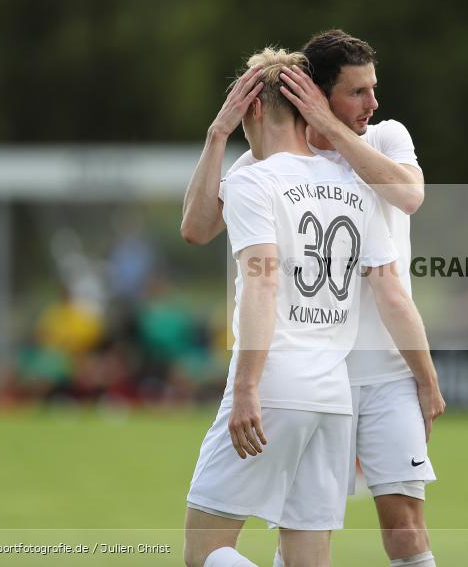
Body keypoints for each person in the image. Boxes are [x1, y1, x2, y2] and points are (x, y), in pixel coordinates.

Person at [181, 33, 444, 567]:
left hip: (278, 379)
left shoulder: (258, 179)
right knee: (308, 555)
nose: (373, 103)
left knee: (204, 552)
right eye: (358, 91)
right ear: (314, 100)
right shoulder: (350, 186)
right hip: (333, 390)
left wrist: (246, 386)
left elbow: (260, 280)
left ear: (250, 107)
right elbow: (388, 286)